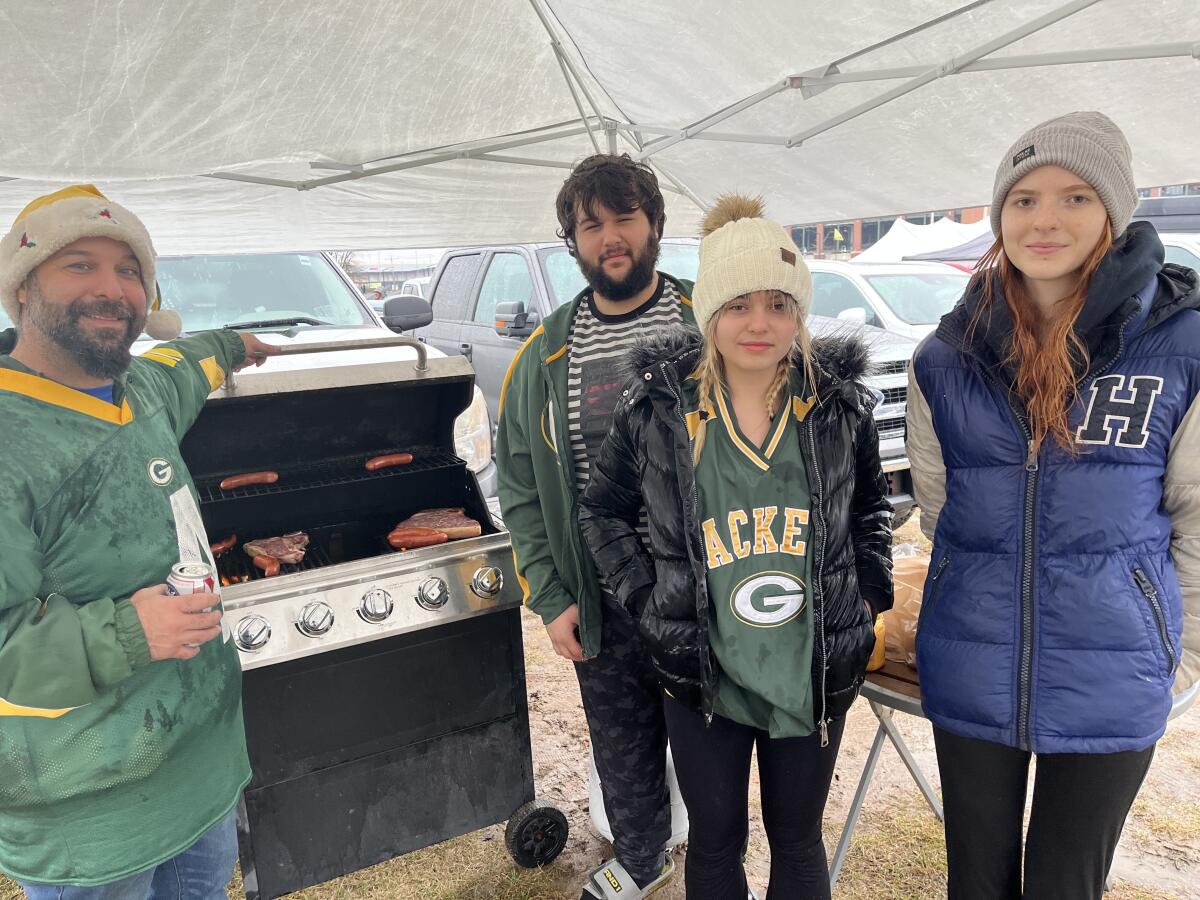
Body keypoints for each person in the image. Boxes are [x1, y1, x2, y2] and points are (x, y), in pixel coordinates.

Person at [906, 111, 1200, 900]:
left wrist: (1179, 654)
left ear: (1114, 210)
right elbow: (941, 506)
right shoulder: (946, 355)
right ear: (999, 214)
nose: (1046, 219)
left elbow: (1198, 512)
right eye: (1025, 198)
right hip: (971, 663)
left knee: (1066, 886)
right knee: (977, 881)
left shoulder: (1181, 344)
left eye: (1075, 197)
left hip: (1116, 669)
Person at [579, 195, 894, 899]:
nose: (760, 323)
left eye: (780, 304)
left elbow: (875, 506)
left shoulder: (838, 408)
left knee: (799, 840)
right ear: (708, 311)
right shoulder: (659, 410)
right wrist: (647, 597)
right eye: (739, 303)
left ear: (801, 315)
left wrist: (868, 592)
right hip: (705, 675)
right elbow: (601, 512)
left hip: (806, 673)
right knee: (716, 844)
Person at [0, 184, 280, 899]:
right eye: (80, 265)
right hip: (90, 813)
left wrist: (236, 345)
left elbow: (190, 362)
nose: (110, 289)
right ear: (23, 289)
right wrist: (126, 632)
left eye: (129, 271)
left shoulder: (138, 389)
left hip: (200, 767)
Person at [496, 154, 696, 898]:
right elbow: (517, 482)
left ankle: (714, 863)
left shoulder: (710, 321)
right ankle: (642, 861)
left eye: (624, 218)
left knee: (712, 741)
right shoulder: (542, 357)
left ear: (653, 226)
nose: (610, 237)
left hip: (700, 590)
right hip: (601, 593)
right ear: (573, 241)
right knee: (622, 745)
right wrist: (551, 595)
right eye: (592, 225)